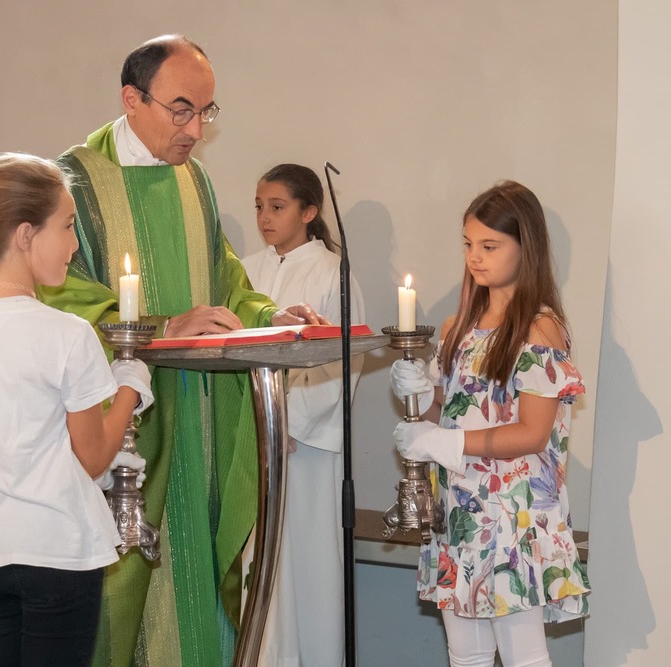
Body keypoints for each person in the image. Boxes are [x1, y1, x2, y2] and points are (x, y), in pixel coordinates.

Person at [42, 35, 322, 666]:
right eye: (181, 110)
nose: (196, 129)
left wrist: (269, 315)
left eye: (206, 111)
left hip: (199, 417)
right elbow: (59, 298)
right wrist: (164, 325)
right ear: (131, 99)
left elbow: (223, 277)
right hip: (122, 418)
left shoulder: (194, 180)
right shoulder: (74, 183)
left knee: (193, 571)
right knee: (121, 585)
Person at [0, 152, 154, 667]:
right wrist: (131, 387)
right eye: (67, 226)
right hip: (56, 550)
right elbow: (93, 457)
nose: (75, 245)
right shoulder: (65, 333)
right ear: (25, 234)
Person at [390, 181, 590, 667]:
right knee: (467, 656)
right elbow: (453, 411)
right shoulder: (459, 325)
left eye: (489, 245)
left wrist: (444, 442)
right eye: (468, 244)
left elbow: (532, 433)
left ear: (526, 247)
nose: (474, 257)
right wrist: (422, 398)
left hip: (513, 513)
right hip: (461, 508)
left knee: (523, 656)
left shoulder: (540, 328)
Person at [241, 163, 365, 666]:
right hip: (252, 441)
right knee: (259, 564)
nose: (264, 217)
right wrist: (256, 423)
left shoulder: (332, 271)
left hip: (304, 448)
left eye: (277, 206)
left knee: (307, 568)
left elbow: (340, 361)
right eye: (259, 206)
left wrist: (287, 422)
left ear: (309, 211)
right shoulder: (244, 270)